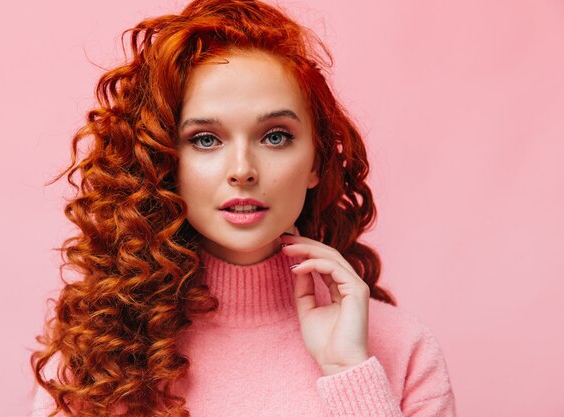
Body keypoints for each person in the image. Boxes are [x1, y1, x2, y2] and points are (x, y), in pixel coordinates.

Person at [29, 0, 457, 416]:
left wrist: (349, 375)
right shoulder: (96, 357)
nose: (242, 170)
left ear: (316, 161)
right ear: (164, 163)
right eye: (205, 139)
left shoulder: (402, 350)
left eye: (274, 136)